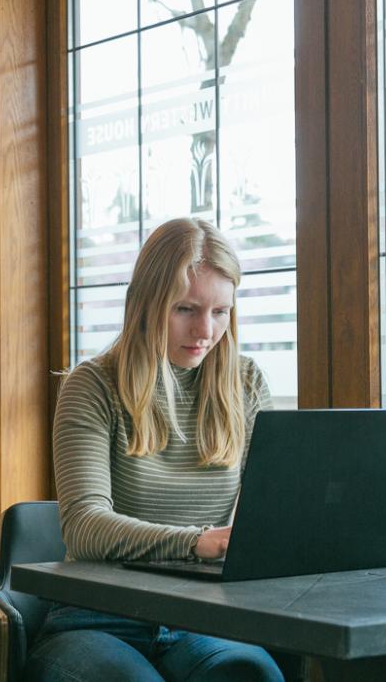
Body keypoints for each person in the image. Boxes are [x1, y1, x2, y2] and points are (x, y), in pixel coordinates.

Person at [25, 218, 285, 681]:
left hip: (204, 621)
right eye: (186, 309)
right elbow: (84, 527)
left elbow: (269, 513)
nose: (205, 330)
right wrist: (195, 542)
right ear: (147, 303)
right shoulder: (93, 385)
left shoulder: (246, 384)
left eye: (221, 311)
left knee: (253, 675)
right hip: (97, 619)